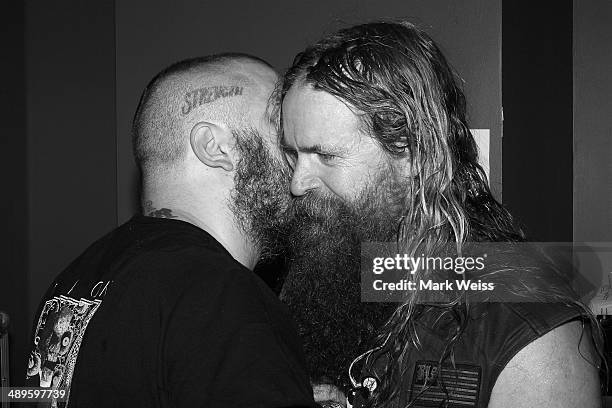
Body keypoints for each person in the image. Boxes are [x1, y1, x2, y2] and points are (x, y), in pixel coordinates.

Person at [278, 21, 604, 407]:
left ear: (412, 154)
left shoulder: (528, 333)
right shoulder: (322, 276)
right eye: (293, 153)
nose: (298, 182)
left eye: (325, 155)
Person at [25, 53, 316, 408]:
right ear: (214, 146)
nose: (299, 158)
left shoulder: (74, 280)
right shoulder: (220, 296)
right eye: (281, 130)